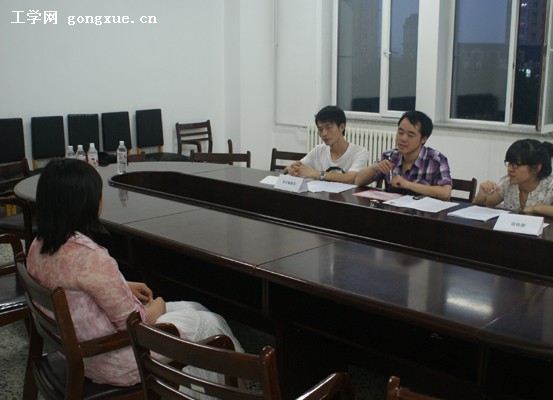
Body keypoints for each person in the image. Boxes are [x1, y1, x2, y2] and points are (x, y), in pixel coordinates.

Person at [26, 158, 243, 391]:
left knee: (194, 307)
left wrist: (122, 284)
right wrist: (158, 306)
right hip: (114, 359)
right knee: (213, 324)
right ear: (85, 203)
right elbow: (137, 323)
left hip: (76, 349)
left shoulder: (38, 245)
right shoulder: (91, 258)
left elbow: (72, 285)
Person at [355, 110, 452, 200]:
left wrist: (407, 184)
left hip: (422, 212)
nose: (403, 138)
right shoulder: (389, 156)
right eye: (400, 132)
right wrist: (375, 167)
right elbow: (358, 181)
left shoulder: (436, 159)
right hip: (392, 210)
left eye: (410, 135)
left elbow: (445, 193)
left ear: (423, 139)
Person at [473, 139, 553, 221]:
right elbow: (485, 205)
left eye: (516, 164)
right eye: (509, 163)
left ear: (536, 168)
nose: (509, 169)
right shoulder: (508, 184)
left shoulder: (551, 186)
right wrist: (481, 196)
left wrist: (535, 208)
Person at [284, 105, 369, 184]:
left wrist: (315, 173)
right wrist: (290, 168)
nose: (324, 134)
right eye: (320, 129)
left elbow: (351, 178)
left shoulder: (359, 152)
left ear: (341, 127)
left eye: (329, 128)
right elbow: (296, 167)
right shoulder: (318, 150)